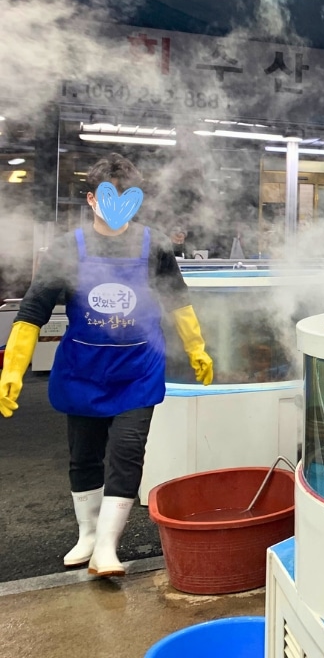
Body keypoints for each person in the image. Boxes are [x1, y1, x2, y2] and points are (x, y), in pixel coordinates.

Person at [0, 153, 214, 577]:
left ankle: (107, 548)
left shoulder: (154, 245)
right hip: (84, 367)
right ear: (92, 200)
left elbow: (178, 301)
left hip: (138, 367)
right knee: (84, 456)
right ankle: (88, 535)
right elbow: (32, 311)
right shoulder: (68, 248)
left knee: (128, 450)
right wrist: (13, 367)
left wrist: (197, 348)